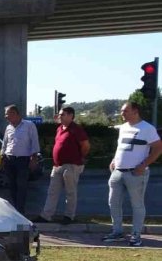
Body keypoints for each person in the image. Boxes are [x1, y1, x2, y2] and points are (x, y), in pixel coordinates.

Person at [103, 102, 162, 247]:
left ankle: (136, 235)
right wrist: (114, 160)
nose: (122, 113)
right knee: (113, 202)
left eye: (125, 111)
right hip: (117, 172)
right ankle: (117, 232)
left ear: (135, 111)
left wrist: (144, 165)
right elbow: (121, 146)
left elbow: (158, 148)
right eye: (122, 111)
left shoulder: (147, 128)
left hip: (136, 173)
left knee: (137, 204)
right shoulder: (123, 128)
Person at [36, 106, 90, 223]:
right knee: (52, 191)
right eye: (59, 114)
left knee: (70, 192)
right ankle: (46, 215)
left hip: (71, 165)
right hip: (57, 166)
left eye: (62, 114)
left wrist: (80, 157)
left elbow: (85, 145)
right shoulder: (59, 129)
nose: (59, 116)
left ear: (71, 116)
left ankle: (69, 216)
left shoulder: (76, 129)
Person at [1, 105, 40, 214]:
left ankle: (20, 210)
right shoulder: (8, 127)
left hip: (23, 160)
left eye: (7, 114)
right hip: (9, 159)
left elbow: (34, 142)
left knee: (21, 186)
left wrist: (34, 158)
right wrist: (2, 157)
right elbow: (5, 143)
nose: (5, 117)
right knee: (12, 186)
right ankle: (15, 209)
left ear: (15, 113)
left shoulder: (29, 125)